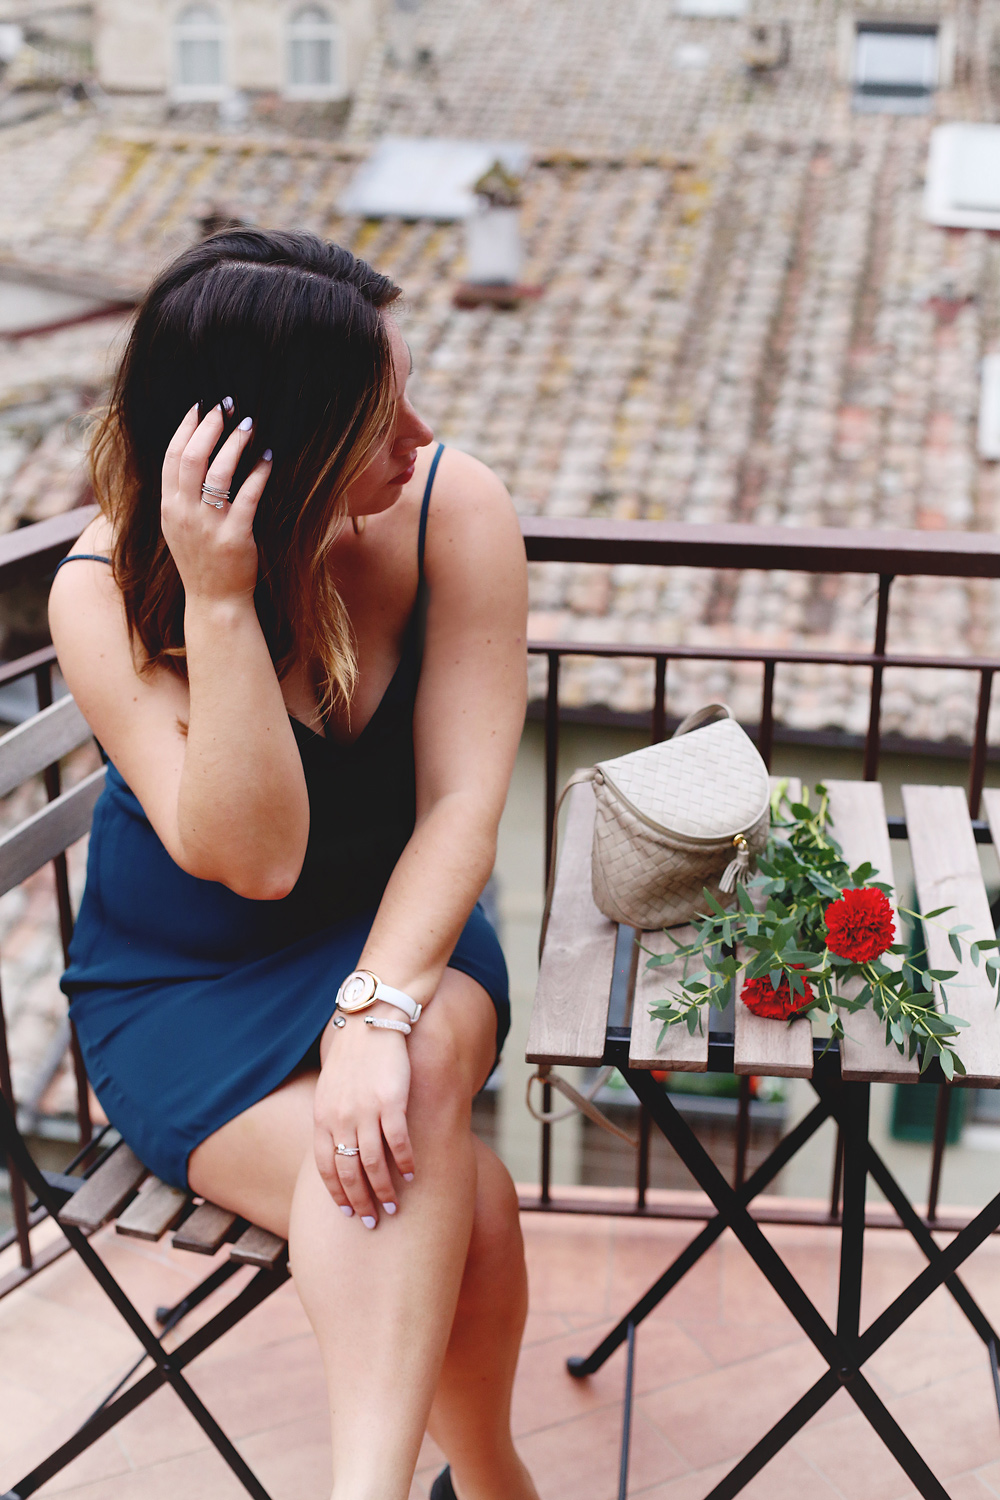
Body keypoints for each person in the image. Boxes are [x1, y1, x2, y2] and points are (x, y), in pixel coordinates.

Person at [49, 229, 537, 1500]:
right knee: (457, 1196)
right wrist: (222, 602)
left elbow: (461, 809)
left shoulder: (452, 511)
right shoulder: (105, 593)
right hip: (183, 995)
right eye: (380, 419)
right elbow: (254, 860)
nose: (419, 435)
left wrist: (372, 1014)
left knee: (416, 1063)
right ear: (291, 448)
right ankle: (490, 1488)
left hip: (402, 933)